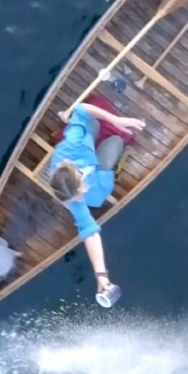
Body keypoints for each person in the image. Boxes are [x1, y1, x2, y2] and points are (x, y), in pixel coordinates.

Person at [47, 102, 146, 301]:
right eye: (76, 199)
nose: (80, 200)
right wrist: (102, 276)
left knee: (92, 122)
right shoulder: (72, 197)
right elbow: (89, 233)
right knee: (116, 141)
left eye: (79, 194)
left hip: (85, 152)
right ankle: (101, 140)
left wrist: (115, 120)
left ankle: (92, 130)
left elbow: (82, 109)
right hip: (98, 170)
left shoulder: (71, 147)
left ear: (79, 178)